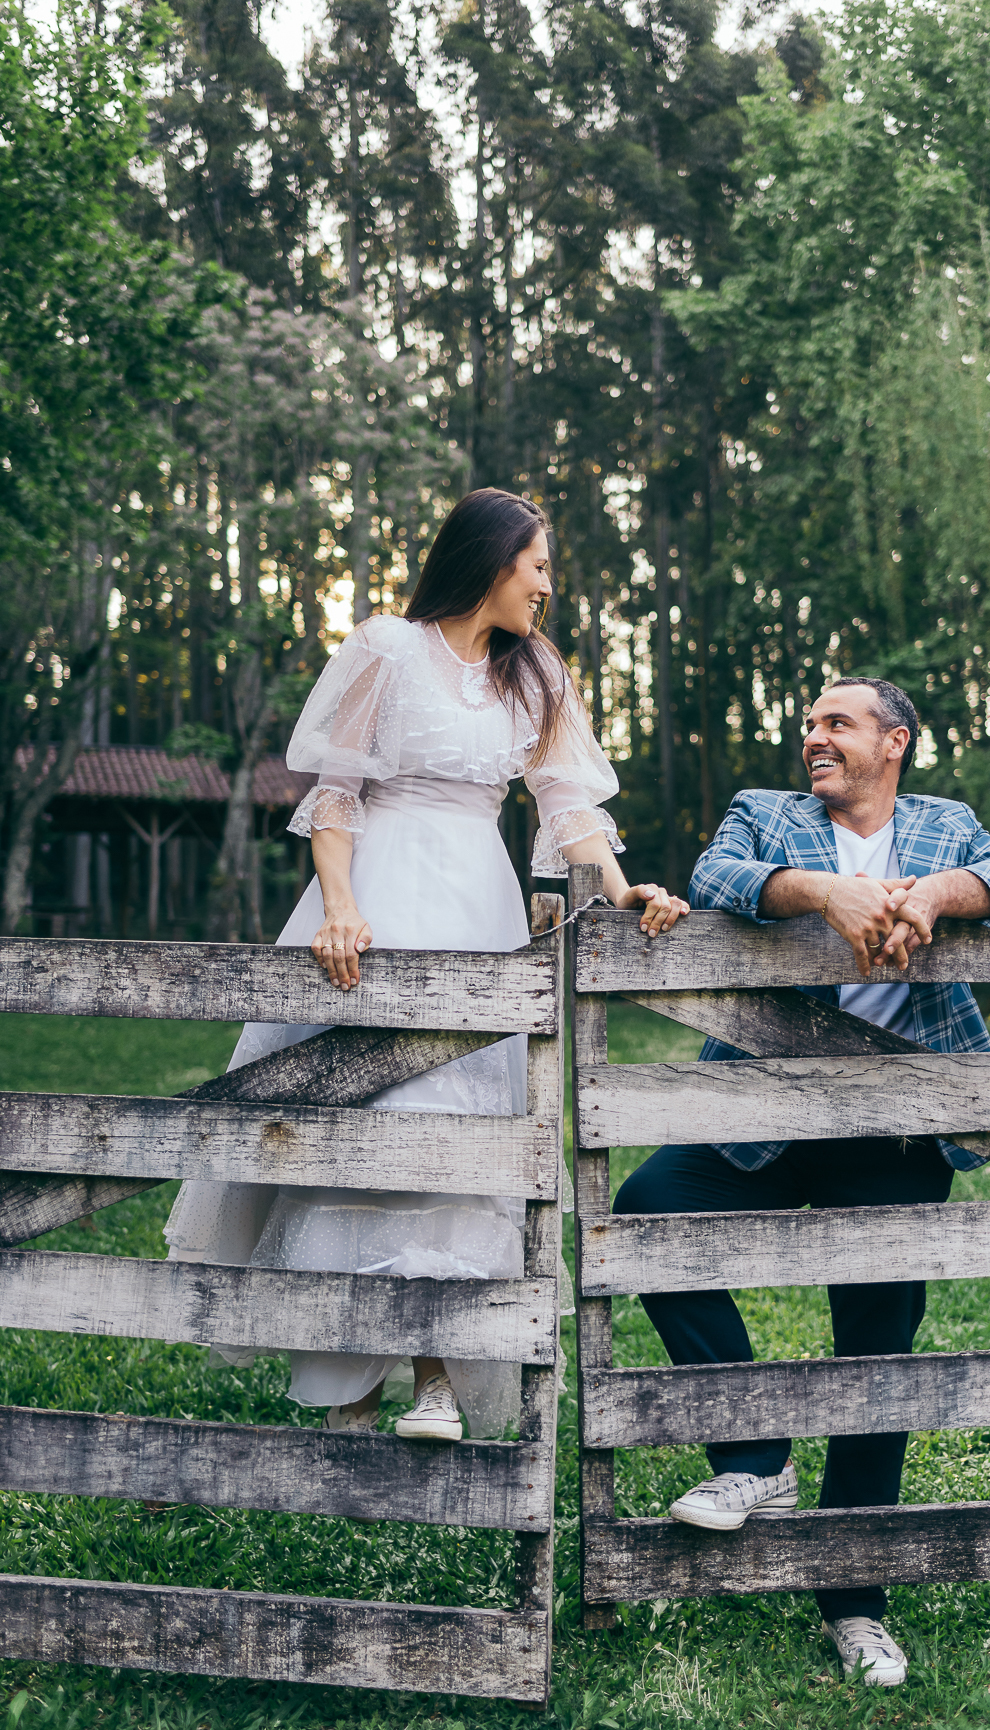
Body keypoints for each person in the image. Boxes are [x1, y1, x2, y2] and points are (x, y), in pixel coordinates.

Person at [165, 488, 688, 1444]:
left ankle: (437, 1375)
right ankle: (347, 1389)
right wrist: (340, 907)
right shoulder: (387, 649)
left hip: (477, 903)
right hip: (381, 892)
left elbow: (568, 806)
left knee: (459, 1127)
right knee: (359, 1123)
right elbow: (336, 796)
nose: (547, 585)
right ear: (492, 560)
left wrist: (619, 891)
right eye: (538, 565)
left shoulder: (537, 674)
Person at [612, 676, 990, 1687]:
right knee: (646, 1211)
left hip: (895, 1130)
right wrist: (829, 893)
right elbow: (718, 873)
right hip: (760, 1108)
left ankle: (855, 1605)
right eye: (809, 723)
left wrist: (932, 896)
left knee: (876, 1354)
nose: (814, 737)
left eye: (837, 723)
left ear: (893, 741)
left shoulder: (946, 825)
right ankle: (755, 1458)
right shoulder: (766, 815)